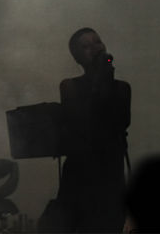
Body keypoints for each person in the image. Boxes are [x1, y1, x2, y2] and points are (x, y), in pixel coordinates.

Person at [56, 27, 131, 232]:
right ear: (77, 58)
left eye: (97, 42)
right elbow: (85, 122)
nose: (95, 48)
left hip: (111, 180)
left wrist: (105, 79)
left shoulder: (122, 88)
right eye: (86, 46)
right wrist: (100, 80)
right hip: (79, 181)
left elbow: (119, 122)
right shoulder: (69, 86)